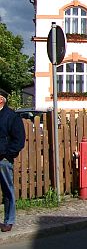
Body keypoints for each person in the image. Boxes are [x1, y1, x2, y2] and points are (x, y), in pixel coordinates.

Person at [0, 89, 25, 233]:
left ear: (1, 99)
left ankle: (8, 220)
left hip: (3, 159)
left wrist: (7, 154)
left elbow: (19, 140)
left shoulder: (11, 116)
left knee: (7, 190)